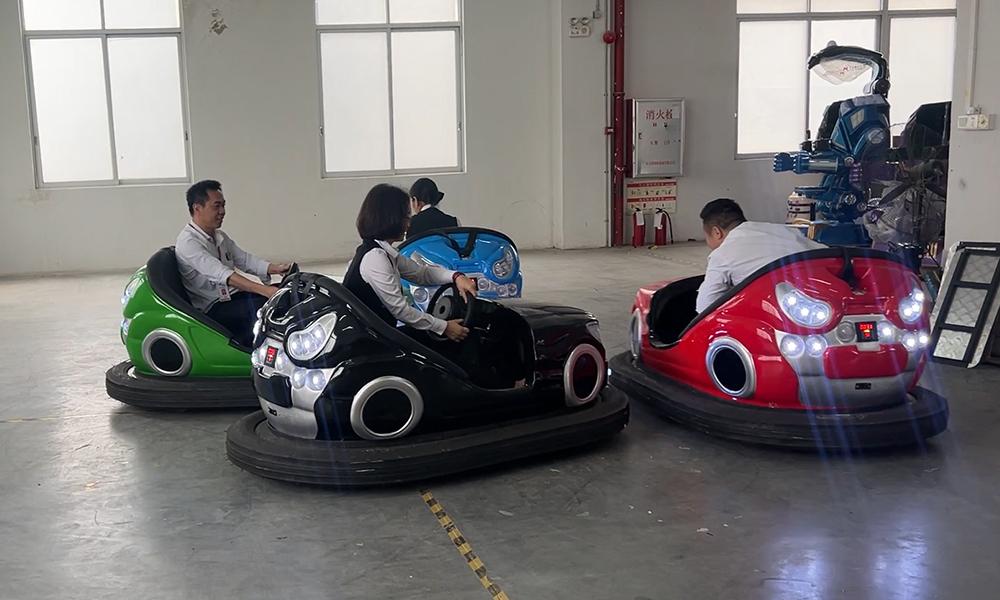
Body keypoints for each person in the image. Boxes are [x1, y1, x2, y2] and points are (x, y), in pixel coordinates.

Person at [344, 183, 478, 342]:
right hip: (370, 341)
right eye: (406, 216)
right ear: (391, 218)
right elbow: (400, 310)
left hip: (379, 332)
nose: (409, 223)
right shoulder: (375, 257)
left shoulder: (385, 252)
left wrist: (457, 277)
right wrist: (443, 327)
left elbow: (421, 274)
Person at [175, 180, 292, 346]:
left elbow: (244, 259)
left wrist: (276, 268)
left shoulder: (219, 236)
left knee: (290, 292)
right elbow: (223, 274)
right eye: (216, 206)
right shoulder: (188, 243)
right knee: (275, 305)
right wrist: (265, 291)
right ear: (197, 208)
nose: (222, 212)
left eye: (223, 206)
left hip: (232, 297)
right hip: (214, 308)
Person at [696, 198, 825, 313]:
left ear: (716, 232)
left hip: (789, 308)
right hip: (824, 292)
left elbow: (705, 306)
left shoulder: (722, 254)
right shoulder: (784, 230)